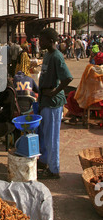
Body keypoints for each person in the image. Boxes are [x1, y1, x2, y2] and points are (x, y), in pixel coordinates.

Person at [37, 28, 73, 179]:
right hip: (45, 101)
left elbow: (67, 78)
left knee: (52, 137)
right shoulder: (47, 55)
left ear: (51, 41)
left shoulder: (57, 57)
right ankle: (45, 160)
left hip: (53, 103)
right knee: (44, 134)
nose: (40, 43)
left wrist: (55, 91)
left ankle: (54, 169)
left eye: (42, 40)